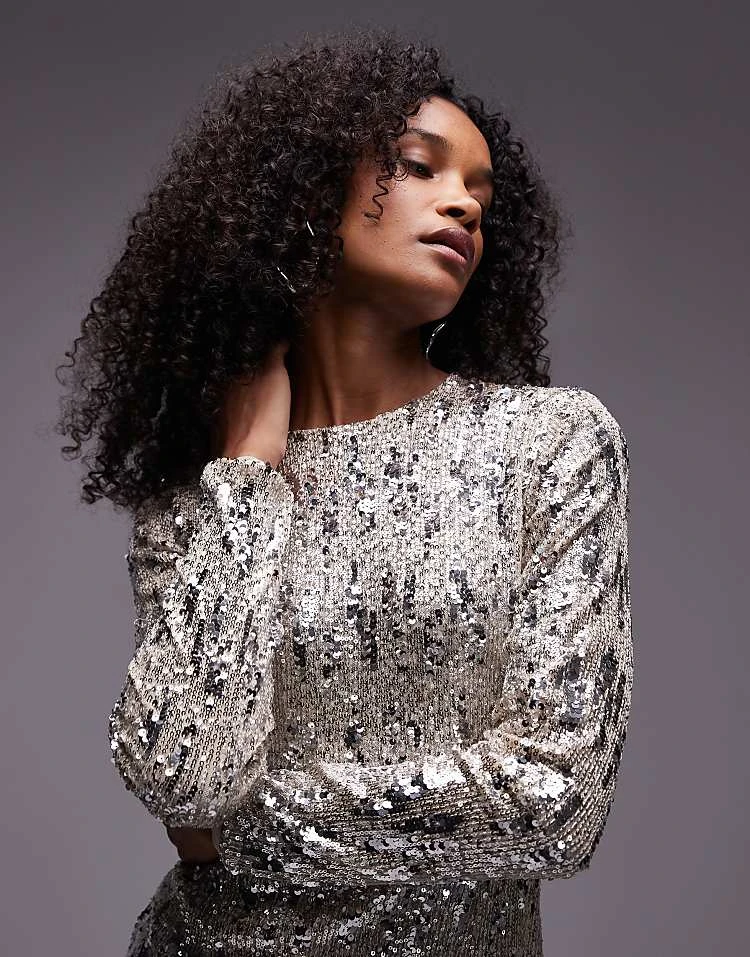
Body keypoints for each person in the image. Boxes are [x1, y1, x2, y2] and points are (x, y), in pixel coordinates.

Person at [55, 26, 633, 957]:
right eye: (420, 166)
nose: (463, 204)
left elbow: (553, 803)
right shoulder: (201, 496)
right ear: (302, 190)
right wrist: (249, 472)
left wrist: (237, 835)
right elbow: (183, 777)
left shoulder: (549, 443)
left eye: (481, 196)